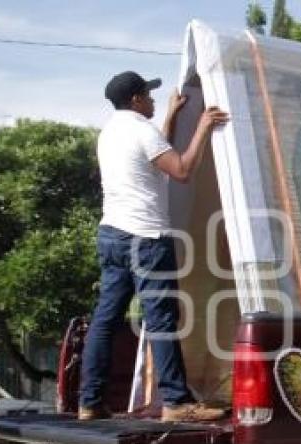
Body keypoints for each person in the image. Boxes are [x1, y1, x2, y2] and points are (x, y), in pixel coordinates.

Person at [79, 71, 229, 422]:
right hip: (145, 239)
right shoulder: (141, 131)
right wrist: (204, 125)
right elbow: (180, 170)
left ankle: (90, 402)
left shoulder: (111, 132)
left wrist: (173, 115)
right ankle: (176, 404)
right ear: (135, 99)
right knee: (162, 320)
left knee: (105, 321)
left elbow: (154, 154)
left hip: (112, 235)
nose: (152, 99)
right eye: (148, 94)